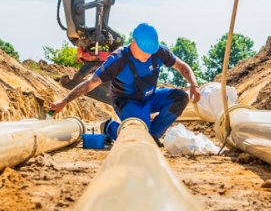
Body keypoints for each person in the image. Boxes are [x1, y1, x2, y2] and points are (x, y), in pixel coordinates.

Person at [48, 23, 200, 144]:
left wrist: (194, 85)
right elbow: (90, 83)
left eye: (150, 52)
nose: (148, 56)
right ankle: (109, 127)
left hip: (150, 97)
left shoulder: (159, 51)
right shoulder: (118, 59)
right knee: (138, 131)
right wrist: (64, 102)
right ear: (134, 44)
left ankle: (152, 136)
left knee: (180, 98)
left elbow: (182, 66)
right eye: (144, 52)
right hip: (127, 102)